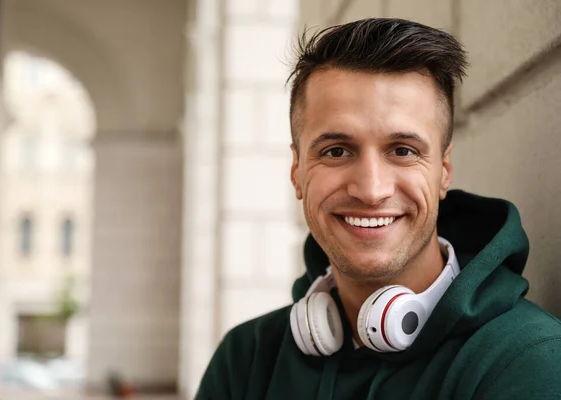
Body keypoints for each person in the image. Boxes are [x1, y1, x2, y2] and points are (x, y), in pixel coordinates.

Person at [196, 18, 561, 399]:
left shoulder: (528, 364)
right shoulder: (246, 360)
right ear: (297, 171)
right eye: (336, 151)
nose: (371, 191)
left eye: (403, 151)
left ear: (444, 171)